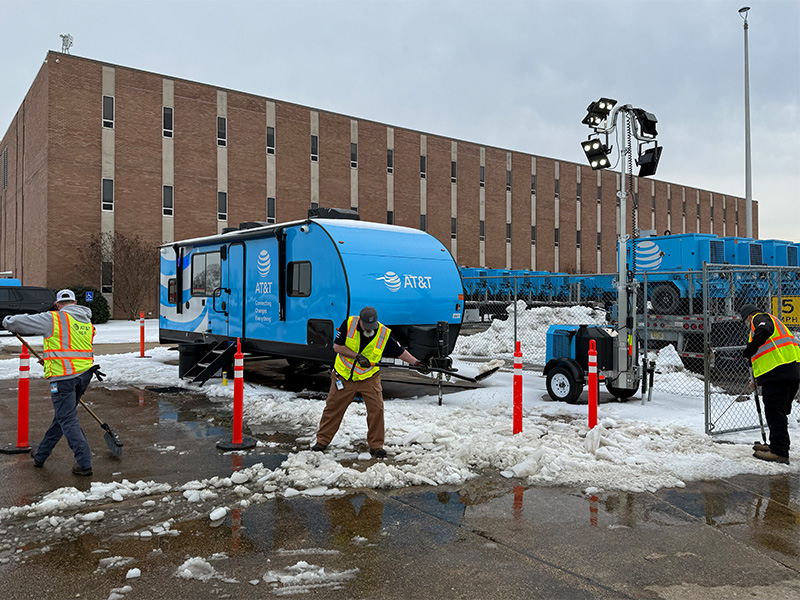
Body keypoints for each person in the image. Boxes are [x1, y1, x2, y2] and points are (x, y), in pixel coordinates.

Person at [2, 289, 97, 476]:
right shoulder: (87, 322)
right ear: (75, 302)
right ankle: (41, 455)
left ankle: (84, 462)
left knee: (67, 419)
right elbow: (71, 347)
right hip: (84, 375)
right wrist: (50, 359)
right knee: (61, 418)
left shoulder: (55, 318)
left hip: (64, 379)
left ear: (57, 304)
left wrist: (7, 321)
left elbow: (21, 322)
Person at [312, 306, 426, 458]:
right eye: (366, 326)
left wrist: (416, 363)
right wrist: (357, 356)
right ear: (360, 321)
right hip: (344, 377)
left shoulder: (383, 333)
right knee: (333, 409)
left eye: (372, 326)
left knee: (376, 410)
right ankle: (322, 441)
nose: (369, 329)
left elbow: (400, 352)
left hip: (369, 378)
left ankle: (376, 446)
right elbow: (337, 347)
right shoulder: (349, 324)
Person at [739, 304, 800, 464]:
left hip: (779, 374)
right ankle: (775, 445)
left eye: (745, 320)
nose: (746, 324)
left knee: (775, 412)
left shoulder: (760, 318)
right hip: (785, 371)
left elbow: (764, 331)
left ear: (748, 316)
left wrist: (750, 349)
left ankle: (779, 452)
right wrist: (758, 380)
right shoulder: (772, 321)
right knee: (777, 411)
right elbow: (770, 353)